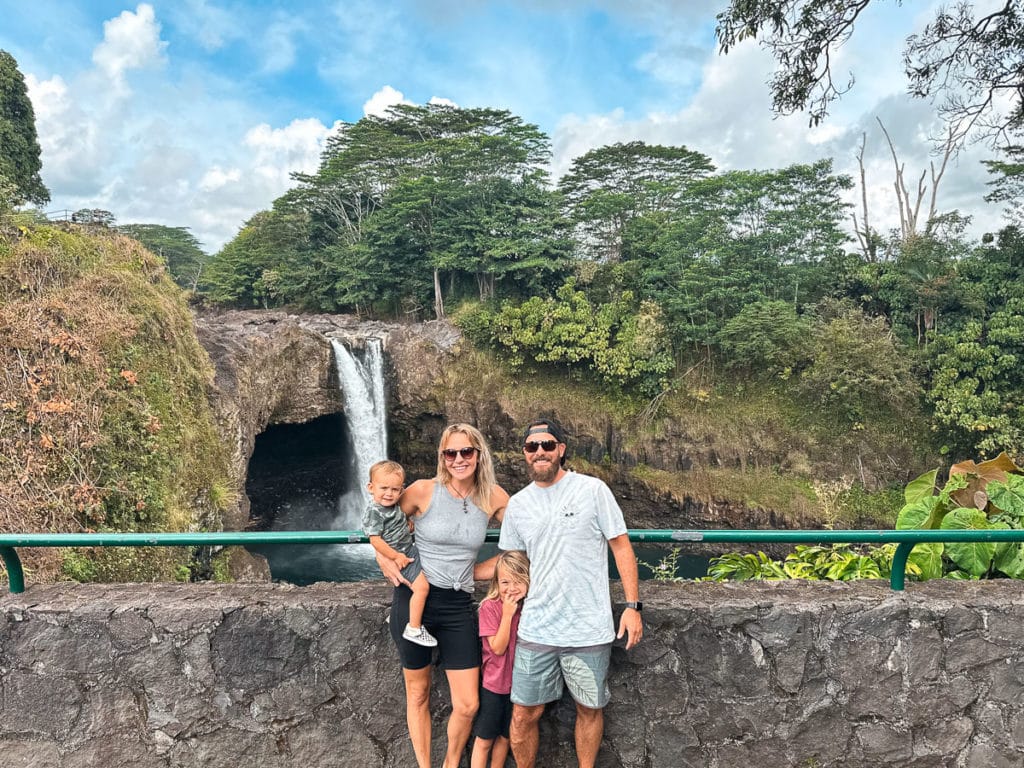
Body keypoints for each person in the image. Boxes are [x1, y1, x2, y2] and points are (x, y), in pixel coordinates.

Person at [498, 418, 643, 768]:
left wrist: (632, 606)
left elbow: (621, 547)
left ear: (561, 450)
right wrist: (458, 571)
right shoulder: (518, 504)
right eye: (533, 447)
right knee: (522, 714)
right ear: (525, 454)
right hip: (537, 628)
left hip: (587, 628)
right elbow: (510, 562)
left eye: (548, 445)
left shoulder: (592, 490)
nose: (540, 452)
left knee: (589, 709)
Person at [375, 423, 510, 768]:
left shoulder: (494, 497)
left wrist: (477, 571)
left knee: (468, 703)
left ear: (479, 455)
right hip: (414, 600)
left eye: (466, 451)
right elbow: (384, 525)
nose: (459, 459)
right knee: (418, 693)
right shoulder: (422, 491)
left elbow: (520, 545)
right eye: (451, 453)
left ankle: (451, 763)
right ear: (442, 457)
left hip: (457, 605)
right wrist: (382, 558)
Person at [362, 460, 436, 647]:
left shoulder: (392, 507)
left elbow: (395, 523)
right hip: (401, 557)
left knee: (432, 571)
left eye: (395, 490)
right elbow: (375, 539)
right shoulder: (374, 511)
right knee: (422, 588)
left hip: (408, 550)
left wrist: (407, 522)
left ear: (401, 490)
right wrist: (395, 557)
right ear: (371, 487)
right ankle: (413, 628)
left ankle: (398, 615)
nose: (389, 494)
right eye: (384, 488)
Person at [470, 550, 530, 768]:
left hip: (518, 685)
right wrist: (507, 615)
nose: (511, 588)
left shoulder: (528, 608)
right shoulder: (490, 607)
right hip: (494, 686)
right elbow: (497, 647)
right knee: (485, 738)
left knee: (506, 737)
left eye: (518, 581)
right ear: (496, 581)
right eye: (505, 581)